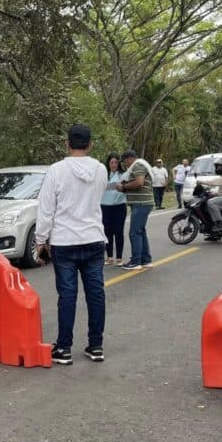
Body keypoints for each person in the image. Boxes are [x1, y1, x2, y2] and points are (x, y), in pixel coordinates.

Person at [36, 124, 108, 365]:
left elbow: (46, 209)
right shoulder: (100, 169)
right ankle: (96, 346)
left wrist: (40, 241)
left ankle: (64, 348)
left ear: (66, 143)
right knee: (96, 294)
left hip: (64, 241)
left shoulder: (56, 170)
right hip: (94, 238)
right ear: (90, 145)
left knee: (67, 295)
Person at [116, 150, 154, 271]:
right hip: (142, 203)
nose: (125, 164)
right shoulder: (140, 164)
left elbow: (139, 182)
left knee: (134, 232)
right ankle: (146, 260)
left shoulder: (137, 165)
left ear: (129, 159)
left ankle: (136, 261)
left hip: (141, 203)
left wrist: (123, 187)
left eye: (125, 161)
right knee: (140, 231)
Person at [100, 153, 127, 266]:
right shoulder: (103, 174)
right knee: (107, 232)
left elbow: (126, 188)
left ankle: (119, 258)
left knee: (118, 232)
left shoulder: (123, 175)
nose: (114, 165)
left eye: (116, 162)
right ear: (108, 163)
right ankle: (109, 257)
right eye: (111, 162)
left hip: (119, 206)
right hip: (105, 207)